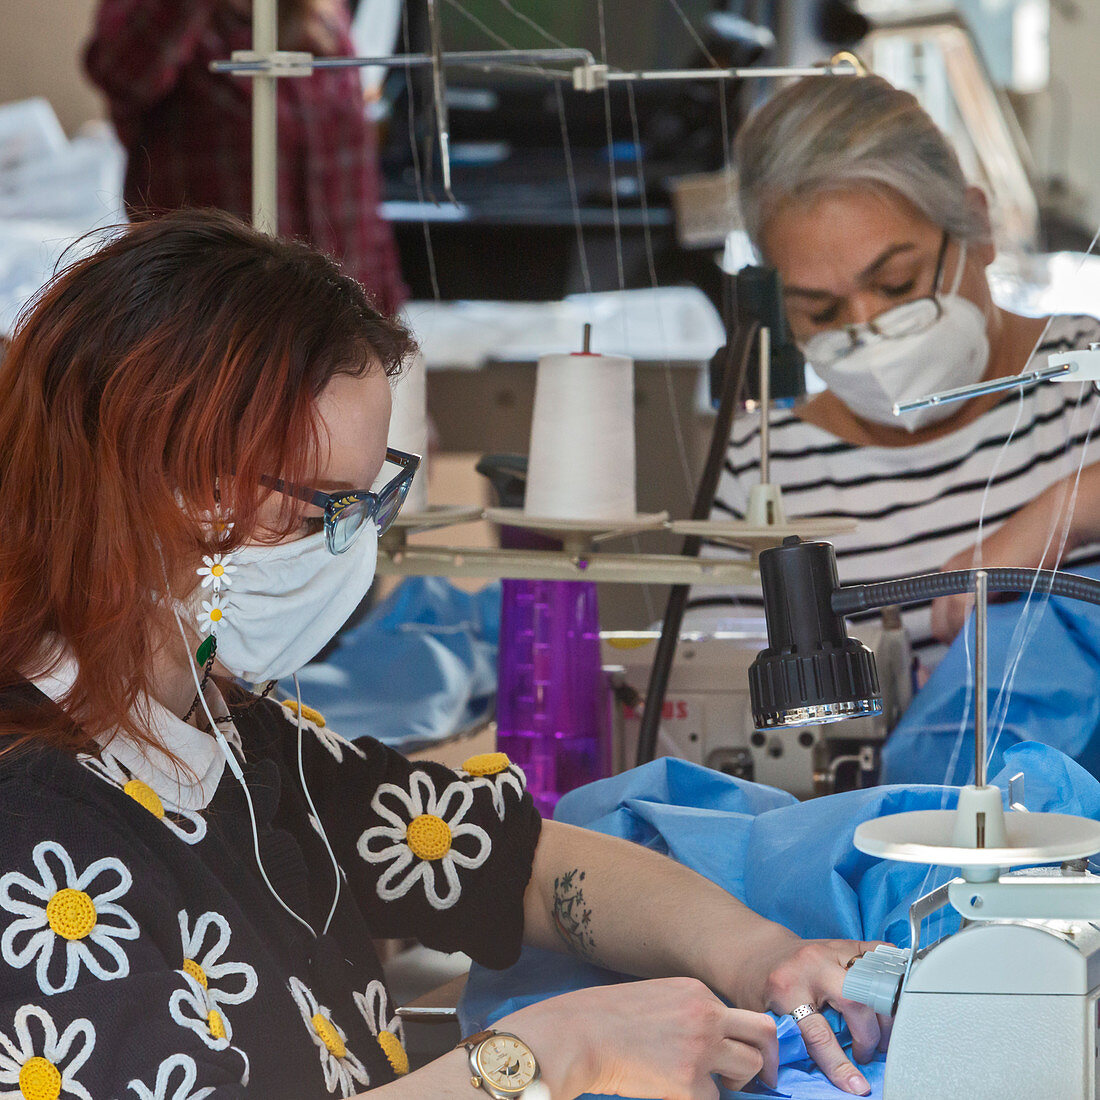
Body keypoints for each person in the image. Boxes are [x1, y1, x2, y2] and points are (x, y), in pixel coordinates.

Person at [0, 209, 880, 1098]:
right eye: (317, 513)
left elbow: (523, 866)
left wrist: (761, 955)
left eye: (364, 507)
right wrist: (547, 1054)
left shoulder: (230, 740)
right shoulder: (29, 828)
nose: (347, 550)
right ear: (163, 481)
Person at [691, 74, 1100, 673]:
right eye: (821, 311)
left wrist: (1062, 512)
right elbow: (710, 698)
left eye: (897, 285)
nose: (869, 328)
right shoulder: (764, 468)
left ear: (977, 228)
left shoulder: (1084, 380)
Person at [83, 0, 406, 314]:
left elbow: (359, 184)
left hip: (335, 312)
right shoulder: (170, 19)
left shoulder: (322, 16)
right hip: (213, 314)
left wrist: (384, 306)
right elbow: (121, 77)